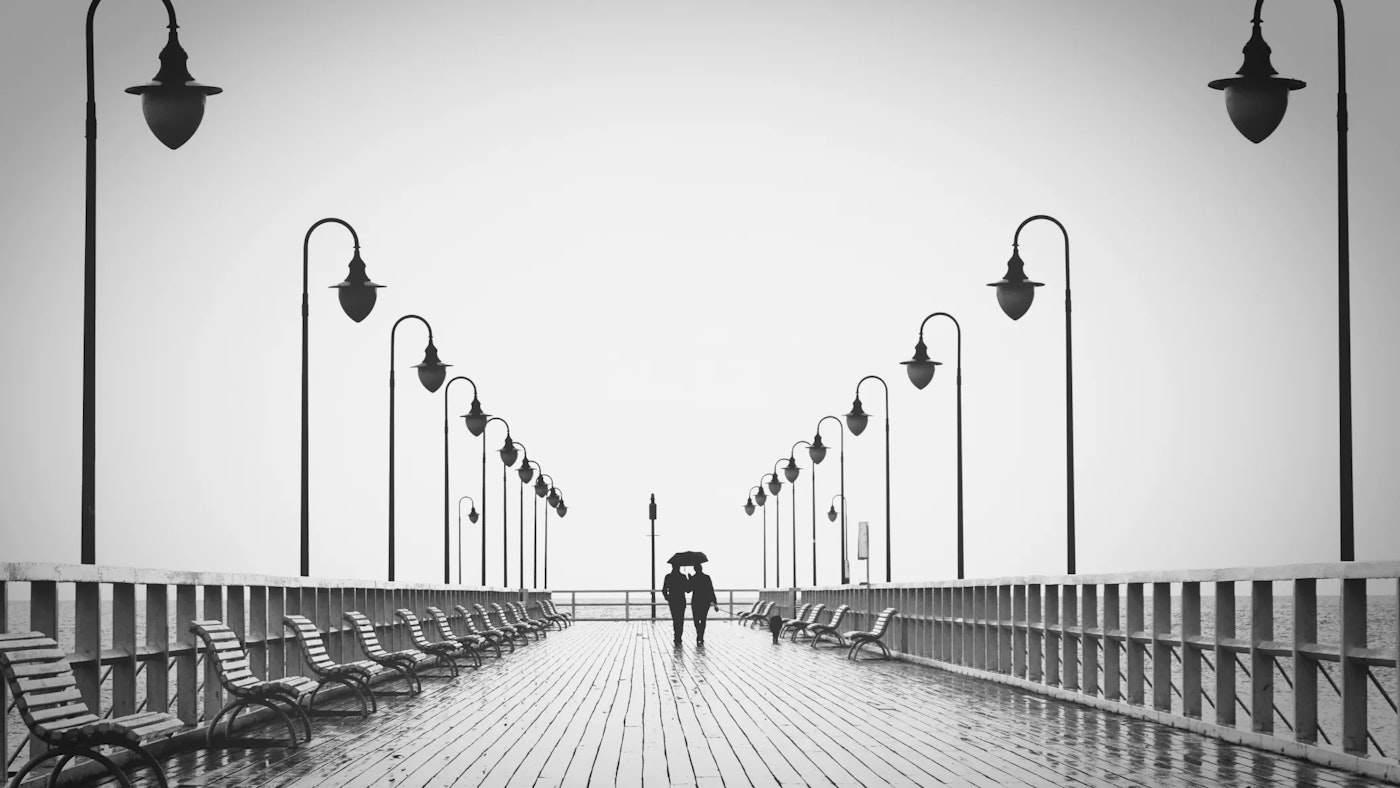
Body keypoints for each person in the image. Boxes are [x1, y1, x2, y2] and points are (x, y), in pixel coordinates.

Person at [661, 561, 690, 645]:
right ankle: (679, 636)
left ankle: (676, 636)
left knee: (675, 618)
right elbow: (688, 590)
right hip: (681, 600)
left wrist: (668, 598)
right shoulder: (683, 577)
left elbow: (664, 590)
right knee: (680, 619)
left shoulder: (668, 577)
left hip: (673, 600)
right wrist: (689, 579)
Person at [689, 563, 718, 645]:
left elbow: (688, 590)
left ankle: (699, 634)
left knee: (696, 620)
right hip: (705, 601)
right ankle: (701, 635)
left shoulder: (693, 578)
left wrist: (690, 579)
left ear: (695, 569)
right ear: (701, 568)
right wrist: (715, 603)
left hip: (696, 601)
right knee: (703, 619)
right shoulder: (706, 577)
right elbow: (711, 590)